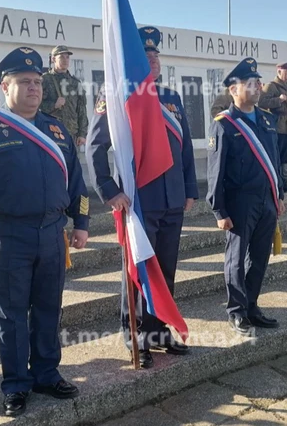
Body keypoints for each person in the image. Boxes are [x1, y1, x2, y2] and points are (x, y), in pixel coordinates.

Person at [0, 46, 90, 417]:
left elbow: (76, 182)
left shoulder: (56, 129)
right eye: (24, 82)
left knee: (48, 308)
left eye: (37, 82)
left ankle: (46, 373)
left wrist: (81, 223)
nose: (33, 88)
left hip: (52, 234)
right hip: (7, 236)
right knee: (11, 315)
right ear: (5, 86)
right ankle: (16, 384)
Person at [86, 26, 198, 369]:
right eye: (145, 55)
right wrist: (109, 190)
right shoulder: (118, 96)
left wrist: (189, 189)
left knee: (165, 269)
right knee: (139, 272)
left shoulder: (171, 98)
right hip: (138, 200)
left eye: (156, 55)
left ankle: (159, 331)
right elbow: (95, 146)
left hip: (172, 199)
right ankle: (136, 336)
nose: (153, 60)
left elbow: (185, 148)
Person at [207, 57, 285, 335]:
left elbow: (274, 161)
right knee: (236, 259)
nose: (257, 87)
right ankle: (237, 310)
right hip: (240, 202)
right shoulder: (225, 124)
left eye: (258, 83)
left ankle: (252, 306)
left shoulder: (266, 119)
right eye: (250, 83)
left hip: (267, 200)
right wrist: (219, 210)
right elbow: (215, 170)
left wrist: (279, 195)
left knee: (260, 257)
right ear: (233, 90)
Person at [258, 61, 287, 192]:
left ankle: (284, 182)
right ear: (279, 71)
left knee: (286, 156)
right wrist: (279, 100)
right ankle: (276, 183)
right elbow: (262, 103)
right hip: (279, 125)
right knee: (277, 156)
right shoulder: (272, 86)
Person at [41, 45, 89, 149]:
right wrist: (54, 105)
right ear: (53, 59)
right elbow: (36, 106)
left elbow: (81, 109)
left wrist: (82, 133)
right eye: (61, 57)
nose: (65, 60)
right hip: (51, 132)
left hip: (72, 134)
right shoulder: (45, 80)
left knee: (72, 159)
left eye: (67, 57)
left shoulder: (75, 83)